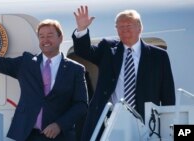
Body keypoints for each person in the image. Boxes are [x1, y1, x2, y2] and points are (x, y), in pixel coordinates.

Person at [0, 8, 88, 141]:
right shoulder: (26, 63)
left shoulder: (75, 69)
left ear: (60, 38)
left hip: (59, 136)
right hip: (27, 135)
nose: (45, 40)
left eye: (50, 35)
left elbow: (81, 105)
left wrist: (59, 125)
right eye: (41, 36)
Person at [72, 6, 175, 141]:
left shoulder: (158, 56)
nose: (124, 30)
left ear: (139, 27)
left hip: (146, 122)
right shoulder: (108, 48)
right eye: (119, 27)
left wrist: (170, 129)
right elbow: (83, 51)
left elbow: (168, 94)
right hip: (110, 120)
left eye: (128, 25)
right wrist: (82, 29)